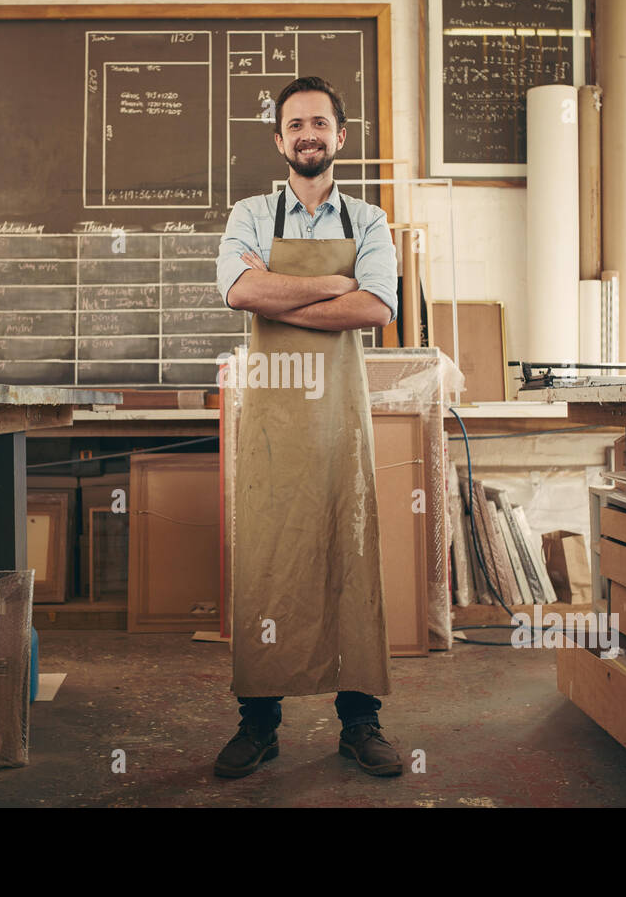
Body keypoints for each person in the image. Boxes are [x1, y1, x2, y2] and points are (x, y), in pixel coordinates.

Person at [213, 75, 402, 779]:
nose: (308, 134)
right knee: (266, 560)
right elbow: (238, 290)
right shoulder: (252, 213)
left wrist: (280, 294)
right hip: (270, 416)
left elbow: (377, 308)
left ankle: (360, 723)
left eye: (320, 123)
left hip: (337, 422)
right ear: (280, 140)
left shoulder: (370, 221)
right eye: (296, 125)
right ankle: (258, 724)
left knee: (349, 552)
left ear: (340, 135)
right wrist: (332, 285)